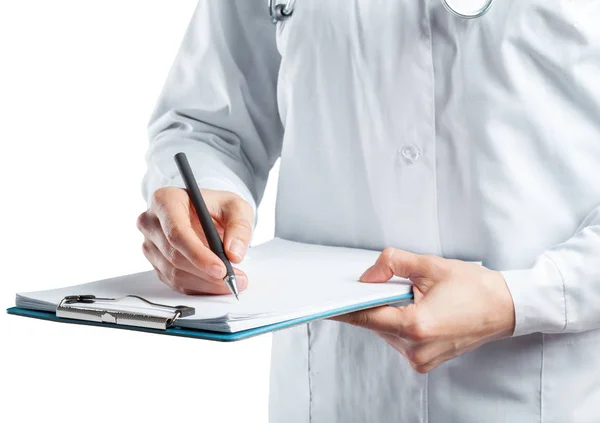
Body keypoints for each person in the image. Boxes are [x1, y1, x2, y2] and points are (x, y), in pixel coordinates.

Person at [136, 1, 600, 422]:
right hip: (331, 399)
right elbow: (205, 124)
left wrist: (526, 298)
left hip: (542, 397)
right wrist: (199, 200)